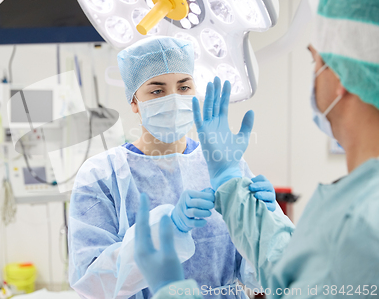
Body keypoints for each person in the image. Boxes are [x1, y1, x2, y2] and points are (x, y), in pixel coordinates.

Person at [134, 0, 379, 299]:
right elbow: (295, 276)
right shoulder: (358, 209)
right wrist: (230, 182)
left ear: (343, 77)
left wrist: (172, 291)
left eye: (315, 60)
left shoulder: (361, 226)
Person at [68, 36, 280, 299]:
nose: (174, 99)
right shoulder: (103, 174)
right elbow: (92, 283)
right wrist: (167, 229)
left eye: (183, 87)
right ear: (134, 101)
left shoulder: (222, 163)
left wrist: (266, 223)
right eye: (157, 91)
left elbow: (264, 278)